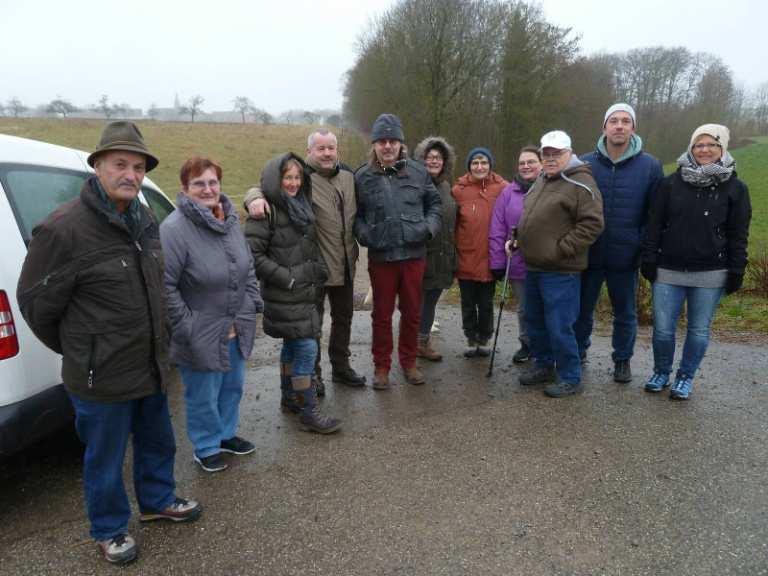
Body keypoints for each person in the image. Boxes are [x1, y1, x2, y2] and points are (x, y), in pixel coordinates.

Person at [16, 121, 201, 565]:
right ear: (97, 166)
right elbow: (34, 302)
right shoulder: (64, 229)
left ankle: (157, 501)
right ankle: (110, 528)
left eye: (138, 167)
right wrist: (82, 349)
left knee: (159, 442)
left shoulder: (141, 218)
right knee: (105, 458)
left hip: (150, 364)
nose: (131, 175)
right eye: (120, 164)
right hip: (100, 376)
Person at [160, 157, 263, 473]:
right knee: (203, 395)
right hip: (200, 329)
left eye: (212, 182)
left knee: (232, 387)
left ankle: (226, 434)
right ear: (185, 189)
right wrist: (187, 326)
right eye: (199, 184)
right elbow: (166, 286)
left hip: (236, 323)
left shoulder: (231, 222)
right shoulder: (174, 229)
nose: (207, 189)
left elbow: (247, 269)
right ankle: (205, 445)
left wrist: (253, 303)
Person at [244, 130, 365, 395]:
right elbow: (264, 186)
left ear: (338, 150)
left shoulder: (348, 177)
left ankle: (341, 367)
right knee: (313, 328)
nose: (326, 153)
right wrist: (254, 198)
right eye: (320, 148)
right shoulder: (301, 178)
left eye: (331, 148)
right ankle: (314, 375)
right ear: (309, 150)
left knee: (344, 319)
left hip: (345, 264)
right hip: (314, 267)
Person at [641, 124, 751, 400]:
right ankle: (661, 372)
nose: (704, 150)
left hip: (711, 271)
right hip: (668, 268)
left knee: (699, 330)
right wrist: (649, 257)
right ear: (691, 148)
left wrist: (737, 269)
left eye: (711, 145)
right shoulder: (669, 183)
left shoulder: (736, 188)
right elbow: (654, 225)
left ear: (722, 149)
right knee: (663, 330)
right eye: (699, 145)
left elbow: (739, 234)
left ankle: (685, 377)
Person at [246, 153, 340, 433]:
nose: (293, 183)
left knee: (292, 346)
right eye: (288, 177)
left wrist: (319, 270)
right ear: (277, 179)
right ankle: (309, 409)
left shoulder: (300, 206)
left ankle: (289, 397)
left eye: (298, 177)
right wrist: (286, 279)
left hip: (304, 292)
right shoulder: (265, 211)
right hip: (286, 293)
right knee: (306, 349)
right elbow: (251, 255)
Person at [575, 103, 664, 383]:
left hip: (626, 254)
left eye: (626, 121)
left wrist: (642, 245)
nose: (619, 126)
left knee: (625, 313)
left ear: (633, 128)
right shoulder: (584, 163)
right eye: (614, 120)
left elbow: (655, 214)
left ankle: (622, 360)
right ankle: (577, 353)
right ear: (604, 127)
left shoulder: (650, 166)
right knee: (581, 310)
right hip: (589, 251)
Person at [354, 113, 442, 389]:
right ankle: (381, 366)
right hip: (382, 258)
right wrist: (365, 234)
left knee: (413, 312)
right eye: (382, 141)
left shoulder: (418, 172)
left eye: (393, 141)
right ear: (375, 145)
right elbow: (355, 215)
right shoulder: (362, 176)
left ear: (401, 144)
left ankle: (409, 362)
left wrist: (428, 228)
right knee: (381, 314)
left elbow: (435, 205)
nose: (388, 146)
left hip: (414, 257)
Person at [516, 130, 604, 398]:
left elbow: (593, 224)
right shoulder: (542, 179)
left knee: (559, 325)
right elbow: (532, 217)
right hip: (534, 266)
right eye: (547, 153)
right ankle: (543, 365)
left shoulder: (582, 183)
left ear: (569, 154)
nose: (551, 158)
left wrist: (561, 249)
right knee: (535, 321)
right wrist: (517, 238)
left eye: (557, 153)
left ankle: (570, 376)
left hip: (561, 271)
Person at [488, 145, 542, 363]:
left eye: (531, 162)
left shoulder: (550, 187)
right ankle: (527, 344)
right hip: (518, 263)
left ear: (541, 163)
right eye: (522, 163)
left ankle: (547, 349)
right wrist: (497, 262)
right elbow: (497, 227)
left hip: (547, 261)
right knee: (525, 309)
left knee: (547, 307)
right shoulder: (508, 192)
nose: (526, 166)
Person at [452, 147, 508, 357]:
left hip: (490, 257)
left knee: (485, 303)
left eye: (484, 162)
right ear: (469, 167)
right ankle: (470, 336)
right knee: (467, 302)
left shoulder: (503, 188)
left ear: (490, 165)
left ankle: (484, 337)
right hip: (465, 256)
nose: (479, 167)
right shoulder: (459, 190)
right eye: (475, 163)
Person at [412, 136, 457, 361]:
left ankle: (422, 341)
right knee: (417, 302)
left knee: (430, 301)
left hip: (444, 255)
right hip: (422, 255)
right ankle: (412, 344)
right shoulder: (414, 185)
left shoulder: (446, 186)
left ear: (445, 161)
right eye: (429, 157)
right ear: (421, 159)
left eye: (438, 157)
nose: (433, 161)